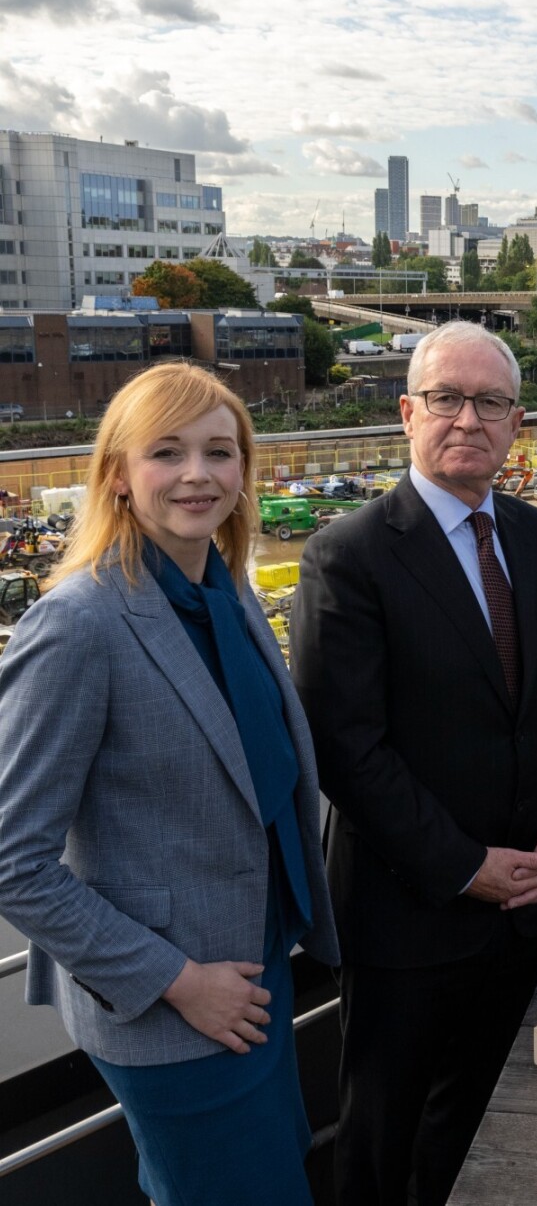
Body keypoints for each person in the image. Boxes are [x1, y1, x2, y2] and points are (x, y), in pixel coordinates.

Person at [0, 362, 337, 1206]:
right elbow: (14, 861)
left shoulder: (223, 592)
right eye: (167, 452)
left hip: (257, 970)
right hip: (177, 1008)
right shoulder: (77, 624)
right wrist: (181, 982)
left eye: (220, 452)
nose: (198, 474)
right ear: (117, 473)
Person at [291, 322, 537, 1206]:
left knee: (478, 1124)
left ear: (517, 422)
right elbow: (346, 748)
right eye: (447, 399)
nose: (469, 418)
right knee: (381, 1141)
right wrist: (466, 868)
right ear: (406, 413)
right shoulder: (347, 556)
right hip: (407, 917)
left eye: (490, 402)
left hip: (528, 903)